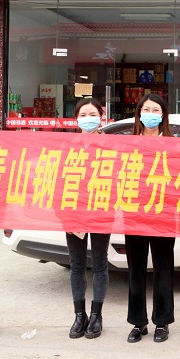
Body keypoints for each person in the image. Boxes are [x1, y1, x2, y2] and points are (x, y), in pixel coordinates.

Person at [123, 94, 178, 344]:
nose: (151, 114)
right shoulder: (127, 144)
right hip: (134, 214)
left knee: (163, 269)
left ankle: (162, 322)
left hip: (163, 214)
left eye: (156, 110)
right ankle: (138, 322)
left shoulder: (173, 144)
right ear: (139, 114)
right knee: (135, 270)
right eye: (146, 109)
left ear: (163, 115)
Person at [66, 98, 111, 340]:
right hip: (73, 211)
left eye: (92, 114)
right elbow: (58, 181)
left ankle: (96, 315)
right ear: (76, 119)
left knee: (100, 263)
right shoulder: (66, 146)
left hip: (102, 209)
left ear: (101, 117)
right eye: (83, 115)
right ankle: (79, 315)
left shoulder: (111, 146)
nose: (88, 119)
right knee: (77, 265)